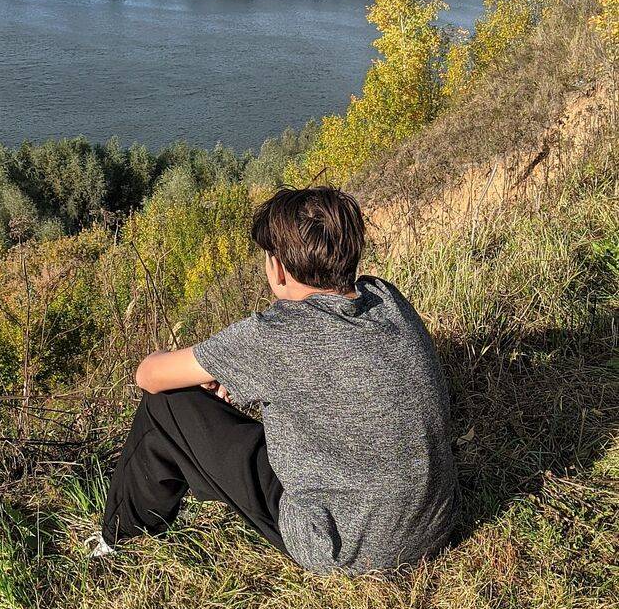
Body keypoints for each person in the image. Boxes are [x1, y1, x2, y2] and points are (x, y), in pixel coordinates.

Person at [89, 186, 458, 576]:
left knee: (165, 406)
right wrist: (237, 371)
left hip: (346, 549)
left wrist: (197, 363)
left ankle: (119, 542)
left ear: (278, 268)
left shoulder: (276, 333)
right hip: (434, 524)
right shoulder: (385, 297)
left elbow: (149, 376)